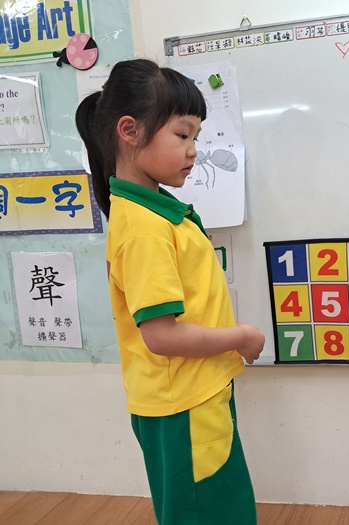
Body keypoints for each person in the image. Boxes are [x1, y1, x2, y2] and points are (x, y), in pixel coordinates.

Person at [75, 59, 265, 525]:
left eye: (196, 137)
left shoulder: (153, 213)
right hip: (184, 403)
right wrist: (242, 336)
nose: (194, 151)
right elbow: (161, 335)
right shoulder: (143, 228)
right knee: (210, 515)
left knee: (220, 506)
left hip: (193, 393)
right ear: (130, 131)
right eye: (182, 135)